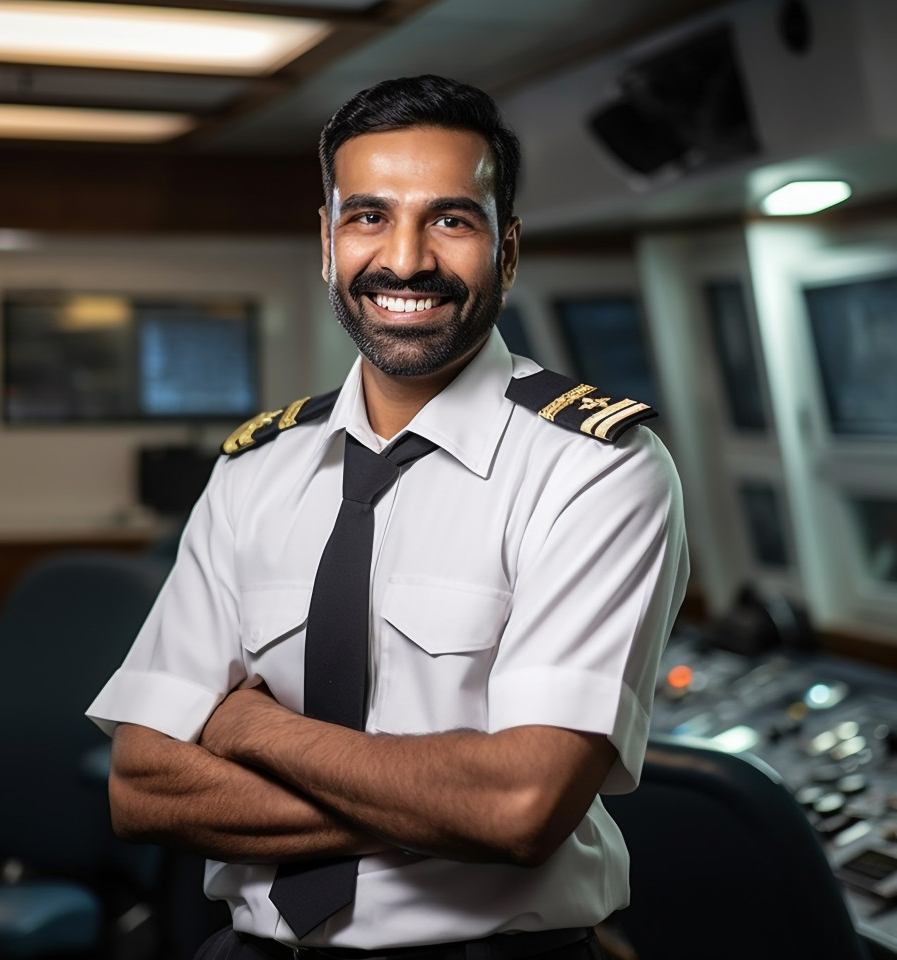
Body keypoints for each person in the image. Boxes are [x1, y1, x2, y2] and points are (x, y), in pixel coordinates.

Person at [87, 74, 689, 960]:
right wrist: (440, 808)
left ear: (507, 252)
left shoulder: (596, 470)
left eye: (451, 219)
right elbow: (144, 790)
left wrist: (254, 731)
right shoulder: (255, 470)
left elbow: (519, 809)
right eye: (368, 216)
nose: (404, 260)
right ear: (328, 243)